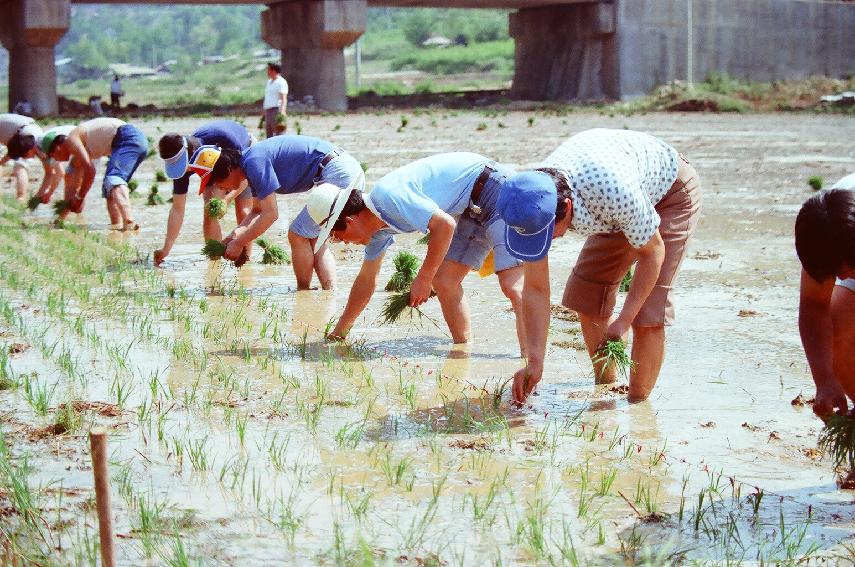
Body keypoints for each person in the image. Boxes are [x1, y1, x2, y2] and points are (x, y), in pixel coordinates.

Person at [497, 128, 702, 404]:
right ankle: (606, 390)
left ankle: (637, 408)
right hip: (614, 203)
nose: (545, 241)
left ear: (567, 208)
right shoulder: (530, 199)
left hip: (668, 194)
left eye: (548, 233)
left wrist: (623, 320)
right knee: (587, 293)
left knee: (648, 313)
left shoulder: (614, 192)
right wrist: (535, 361)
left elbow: (653, 252)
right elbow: (535, 288)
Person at [307, 152, 526, 348]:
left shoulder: (388, 196)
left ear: (350, 221)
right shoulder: (377, 232)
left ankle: (531, 362)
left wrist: (423, 279)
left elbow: (444, 225)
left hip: (493, 187)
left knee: (512, 286)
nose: (343, 243)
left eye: (337, 236)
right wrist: (340, 332)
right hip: (471, 207)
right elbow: (366, 280)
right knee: (445, 282)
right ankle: (463, 349)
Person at [207, 134, 364, 289]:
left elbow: (271, 215)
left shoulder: (254, 162)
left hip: (339, 173)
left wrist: (240, 243)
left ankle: (303, 292)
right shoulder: (250, 164)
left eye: (219, 183)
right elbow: (257, 210)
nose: (220, 188)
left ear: (229, 170)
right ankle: (329, 291)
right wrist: (234, 236)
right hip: (343, 169)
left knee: (298, 234)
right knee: (312, 235)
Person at [155, 120, 256, 266]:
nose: (184, 171)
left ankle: (246, 259)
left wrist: (227, 199)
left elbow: (244, 178)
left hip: (245, 153)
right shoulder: (182, 166)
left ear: (191, 153)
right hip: (212, 167)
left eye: (183, 165)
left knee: (243, 210)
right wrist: (166, 248)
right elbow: (177, 208)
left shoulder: (224, 139)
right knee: (210, 208)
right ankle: (214, 262)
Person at [795, 174, 855, 419]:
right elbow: (813, 304)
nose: (842, 275)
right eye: (835, 272)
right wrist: (824, 378)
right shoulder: (824, 228)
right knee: (838, 326)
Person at [44, 117, 148, 230]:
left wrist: (79, 198)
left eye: (53, 156)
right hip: (131, 140)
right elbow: (73, 187)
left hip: (127, 137)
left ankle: (128, 220)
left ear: (57, 148)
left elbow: (90, 170)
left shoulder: (71, 140)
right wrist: (60, 219)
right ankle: (117, 226)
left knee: (113, 179)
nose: (56, 160)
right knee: (108, 188)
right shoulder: (77, 154)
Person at [7, 123, 75, 205]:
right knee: (71, 178)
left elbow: (60, 173)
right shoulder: (39, 146)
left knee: (72, 178)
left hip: (83, 140)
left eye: (23, 156)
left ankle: (68, 212)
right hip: (74, 140)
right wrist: (39, 196)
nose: (24, 159)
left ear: (28, 151)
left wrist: (49, 194)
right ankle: (69, 213)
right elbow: (49, 173)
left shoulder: (45, 147)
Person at [0, 113, 45, 201]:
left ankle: (21, 196)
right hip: (30, 128)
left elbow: (11, 152)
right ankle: (21, 197)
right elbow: (11, 153)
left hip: (23, 132)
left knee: (20, 166)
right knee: (20, 166)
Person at [263, 63, 288, 138]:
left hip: (276, 110)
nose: (267, 72)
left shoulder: (281, 82)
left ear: (273, 71)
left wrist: (282, 112)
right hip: (268, 110)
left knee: (279, 133)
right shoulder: (269, 82)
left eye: (269, 70)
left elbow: (283, 98)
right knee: (269, 133)